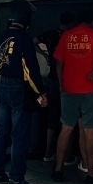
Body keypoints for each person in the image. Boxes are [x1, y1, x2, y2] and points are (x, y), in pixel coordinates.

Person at [0, 0, 47, 184]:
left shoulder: (2, 36)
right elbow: (30, 69)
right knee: (20, 136)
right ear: (25, 18)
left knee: (1, 133)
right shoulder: (24, 39)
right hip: (19, 89)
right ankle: (15, 180)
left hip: (3, 86)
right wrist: (41, 92)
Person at [52, 8, 93, 184]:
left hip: (69, 89)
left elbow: (59, 61)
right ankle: (91, 173)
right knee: (90, 131)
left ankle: (58, 169)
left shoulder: (67, 36)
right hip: (90, 90)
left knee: (66, 129)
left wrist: (61, 83)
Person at [36, 10, 72, 163]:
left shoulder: (50, 34)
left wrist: (44, 55)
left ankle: (47, 151)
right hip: (68, 81)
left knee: (52, 117)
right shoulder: (70, 38)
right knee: (68, 120)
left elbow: (33, 41)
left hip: (52, 79)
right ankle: (67, 155)